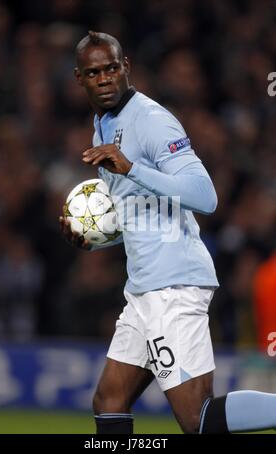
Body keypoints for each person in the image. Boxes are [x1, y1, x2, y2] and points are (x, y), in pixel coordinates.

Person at [59, 31, 276, 434]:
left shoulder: (152, 120)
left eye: (111, 68)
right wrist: (94, 238)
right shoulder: (102, 125)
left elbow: (205, 195)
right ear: (79, 79)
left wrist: (132, 168)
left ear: (126, 68)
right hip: (143, 289)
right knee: (109, 399)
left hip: (173, 285)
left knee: (197, 419)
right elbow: (141, 216)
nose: (104, 78)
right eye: (94, 72)